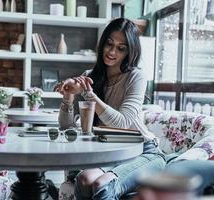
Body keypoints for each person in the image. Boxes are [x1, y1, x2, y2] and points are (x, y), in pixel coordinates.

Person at [53, 18, 166, 199]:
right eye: (109, 44)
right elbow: (67, 128)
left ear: (130, 51)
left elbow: (123, 122)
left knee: (101, 184)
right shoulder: (89, 77)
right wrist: (68, 96)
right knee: (84, 179)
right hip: (110, 152)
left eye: (121, 48)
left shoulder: (136, 77)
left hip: (143, 151)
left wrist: (90, 96)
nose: (112, 52)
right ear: (102, 43)